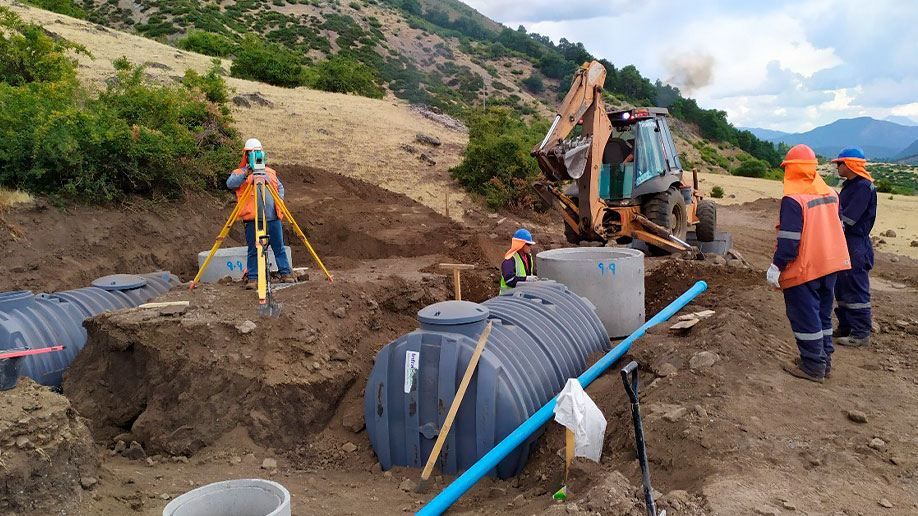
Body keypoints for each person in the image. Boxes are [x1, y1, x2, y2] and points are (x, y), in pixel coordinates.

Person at [766, 144, 851, 383]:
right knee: (823, 314)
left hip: (806, 267)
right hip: (831, 264)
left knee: (804, 315)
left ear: (791, 170)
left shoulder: (793, 199)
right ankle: (824, 361)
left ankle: (813, 365)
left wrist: (777, 266)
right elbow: (839, 227)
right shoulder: (831, 193)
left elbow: (789, 241)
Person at [226, 138, 294, 289]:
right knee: (253, 248)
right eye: (251, 153)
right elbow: (230, 184)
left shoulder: (269, 172)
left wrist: (279, 201)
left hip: (272, 217)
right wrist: (246, 174)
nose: (255, 156)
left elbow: (280, 188)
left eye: (257, 153)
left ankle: (285, 273)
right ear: (246, 155)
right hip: (252, 218)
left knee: (279, 246)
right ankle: (253, 278)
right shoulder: (240, 173)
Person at [832, 148, 877, 347]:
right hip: (846, 242)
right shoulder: (852, 185)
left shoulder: (863, 187)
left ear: (849, 165)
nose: (837, 167)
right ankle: (846, 327)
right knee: (842, 286)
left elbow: (848, 218)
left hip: (855, 243)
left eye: (839, 163)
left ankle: (860, 333)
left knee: (855, 287)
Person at [500, 229, 536, 293]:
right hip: (508, 298)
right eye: (528, 244)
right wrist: (526, 279)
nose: (530, 247)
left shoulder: (528, 257)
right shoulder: (510, 260)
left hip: (521, 296)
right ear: (520, 244)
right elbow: (509, 280)